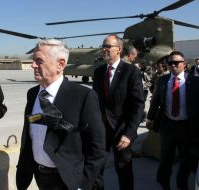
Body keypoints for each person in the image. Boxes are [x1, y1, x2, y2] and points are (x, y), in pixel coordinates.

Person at [16, 39, 106, 190]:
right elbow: (29, 135)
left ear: (60, 64)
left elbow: (97, 148)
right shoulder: (32, 94)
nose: (33, 65)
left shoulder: (83, 96)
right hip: (39, 176)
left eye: (39, 61)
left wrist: (84, 184)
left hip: (68, 180)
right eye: (33, 60)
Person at [93, 34, 145, 190]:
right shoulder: (99, 72)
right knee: (96, 169)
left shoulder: (131, 72)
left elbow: (138, 105)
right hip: (101, 131)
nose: (105, 49)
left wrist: (129, 133)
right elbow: (95, 101)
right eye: (104, 46)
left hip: (121, 132)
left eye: (108, 46)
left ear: (119, 49)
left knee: (123, 170)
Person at [146, 51, 199, 190]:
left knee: (186, 158)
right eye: (170, 63)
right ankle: (164, 183)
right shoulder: (162, 80)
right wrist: (150, 118)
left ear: (184, 64)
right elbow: (156, 100)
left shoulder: (194, 82)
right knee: (165, 158)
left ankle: (182, 183)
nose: (173, 65)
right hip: (167, 125)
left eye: (177, 62)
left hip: (186, 127)